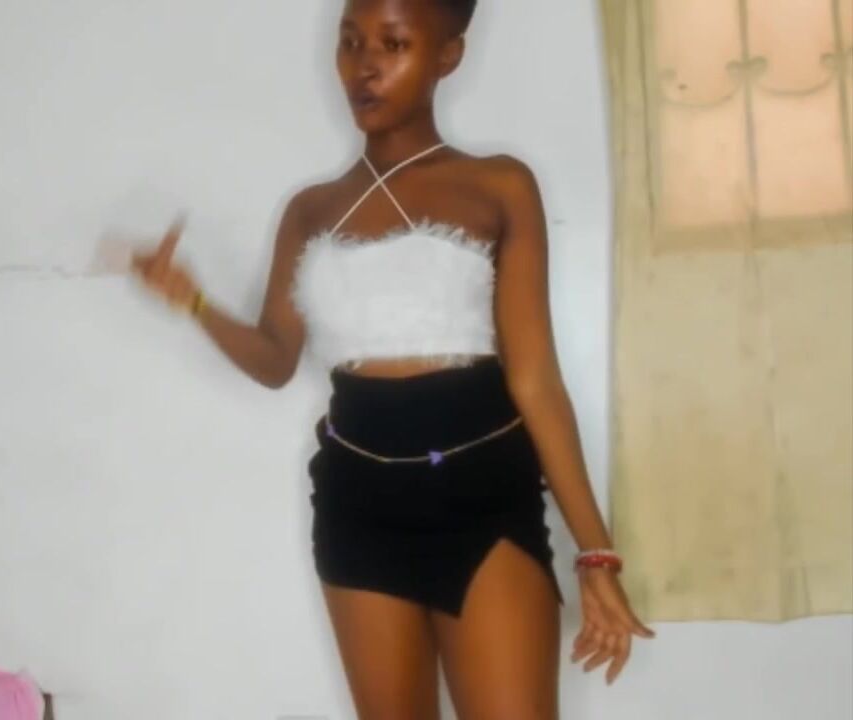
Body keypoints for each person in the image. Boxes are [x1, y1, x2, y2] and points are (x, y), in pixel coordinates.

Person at [130, 0, 655, 717]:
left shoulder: (499, 184)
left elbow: (535, 381)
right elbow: (276, 359)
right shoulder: (309, 210)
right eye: (350, 43)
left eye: (393, 44)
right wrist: (192, 301)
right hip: (357, 502)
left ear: (447, 56)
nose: (365, 66)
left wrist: (594, 553)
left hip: (481, 493)